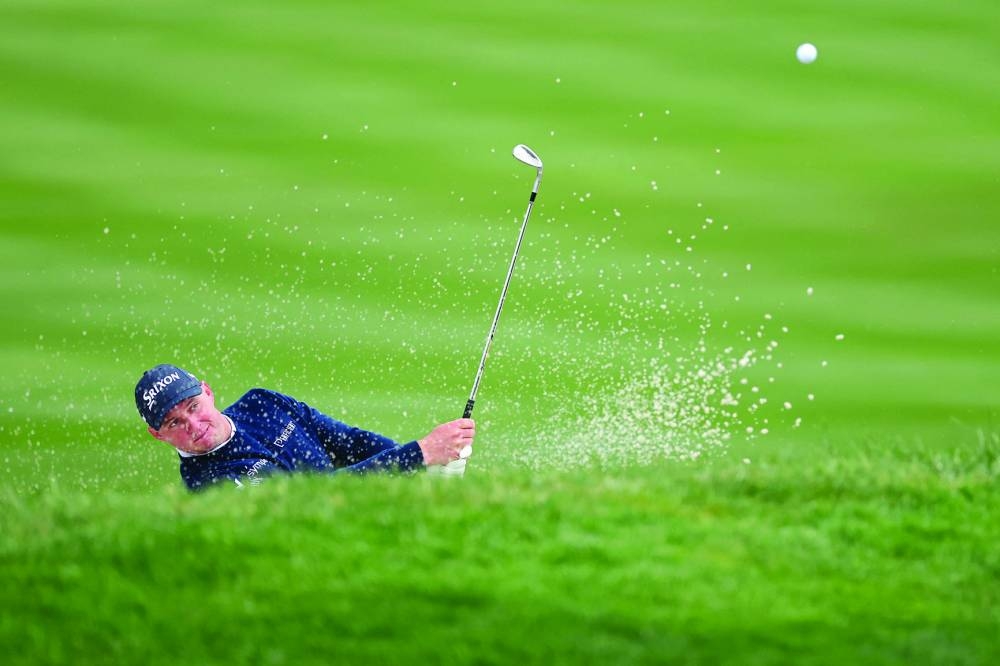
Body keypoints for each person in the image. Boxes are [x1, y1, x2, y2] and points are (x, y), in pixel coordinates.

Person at [135, 364, 474, 491]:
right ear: (158, 434)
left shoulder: (261, 403)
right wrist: (419, 454)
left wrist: (424, 472)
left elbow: (349, 442)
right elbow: (315, 498)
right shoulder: (209, 484)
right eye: (174, 423)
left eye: (194, 407)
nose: (193, 425)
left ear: (207, 392)